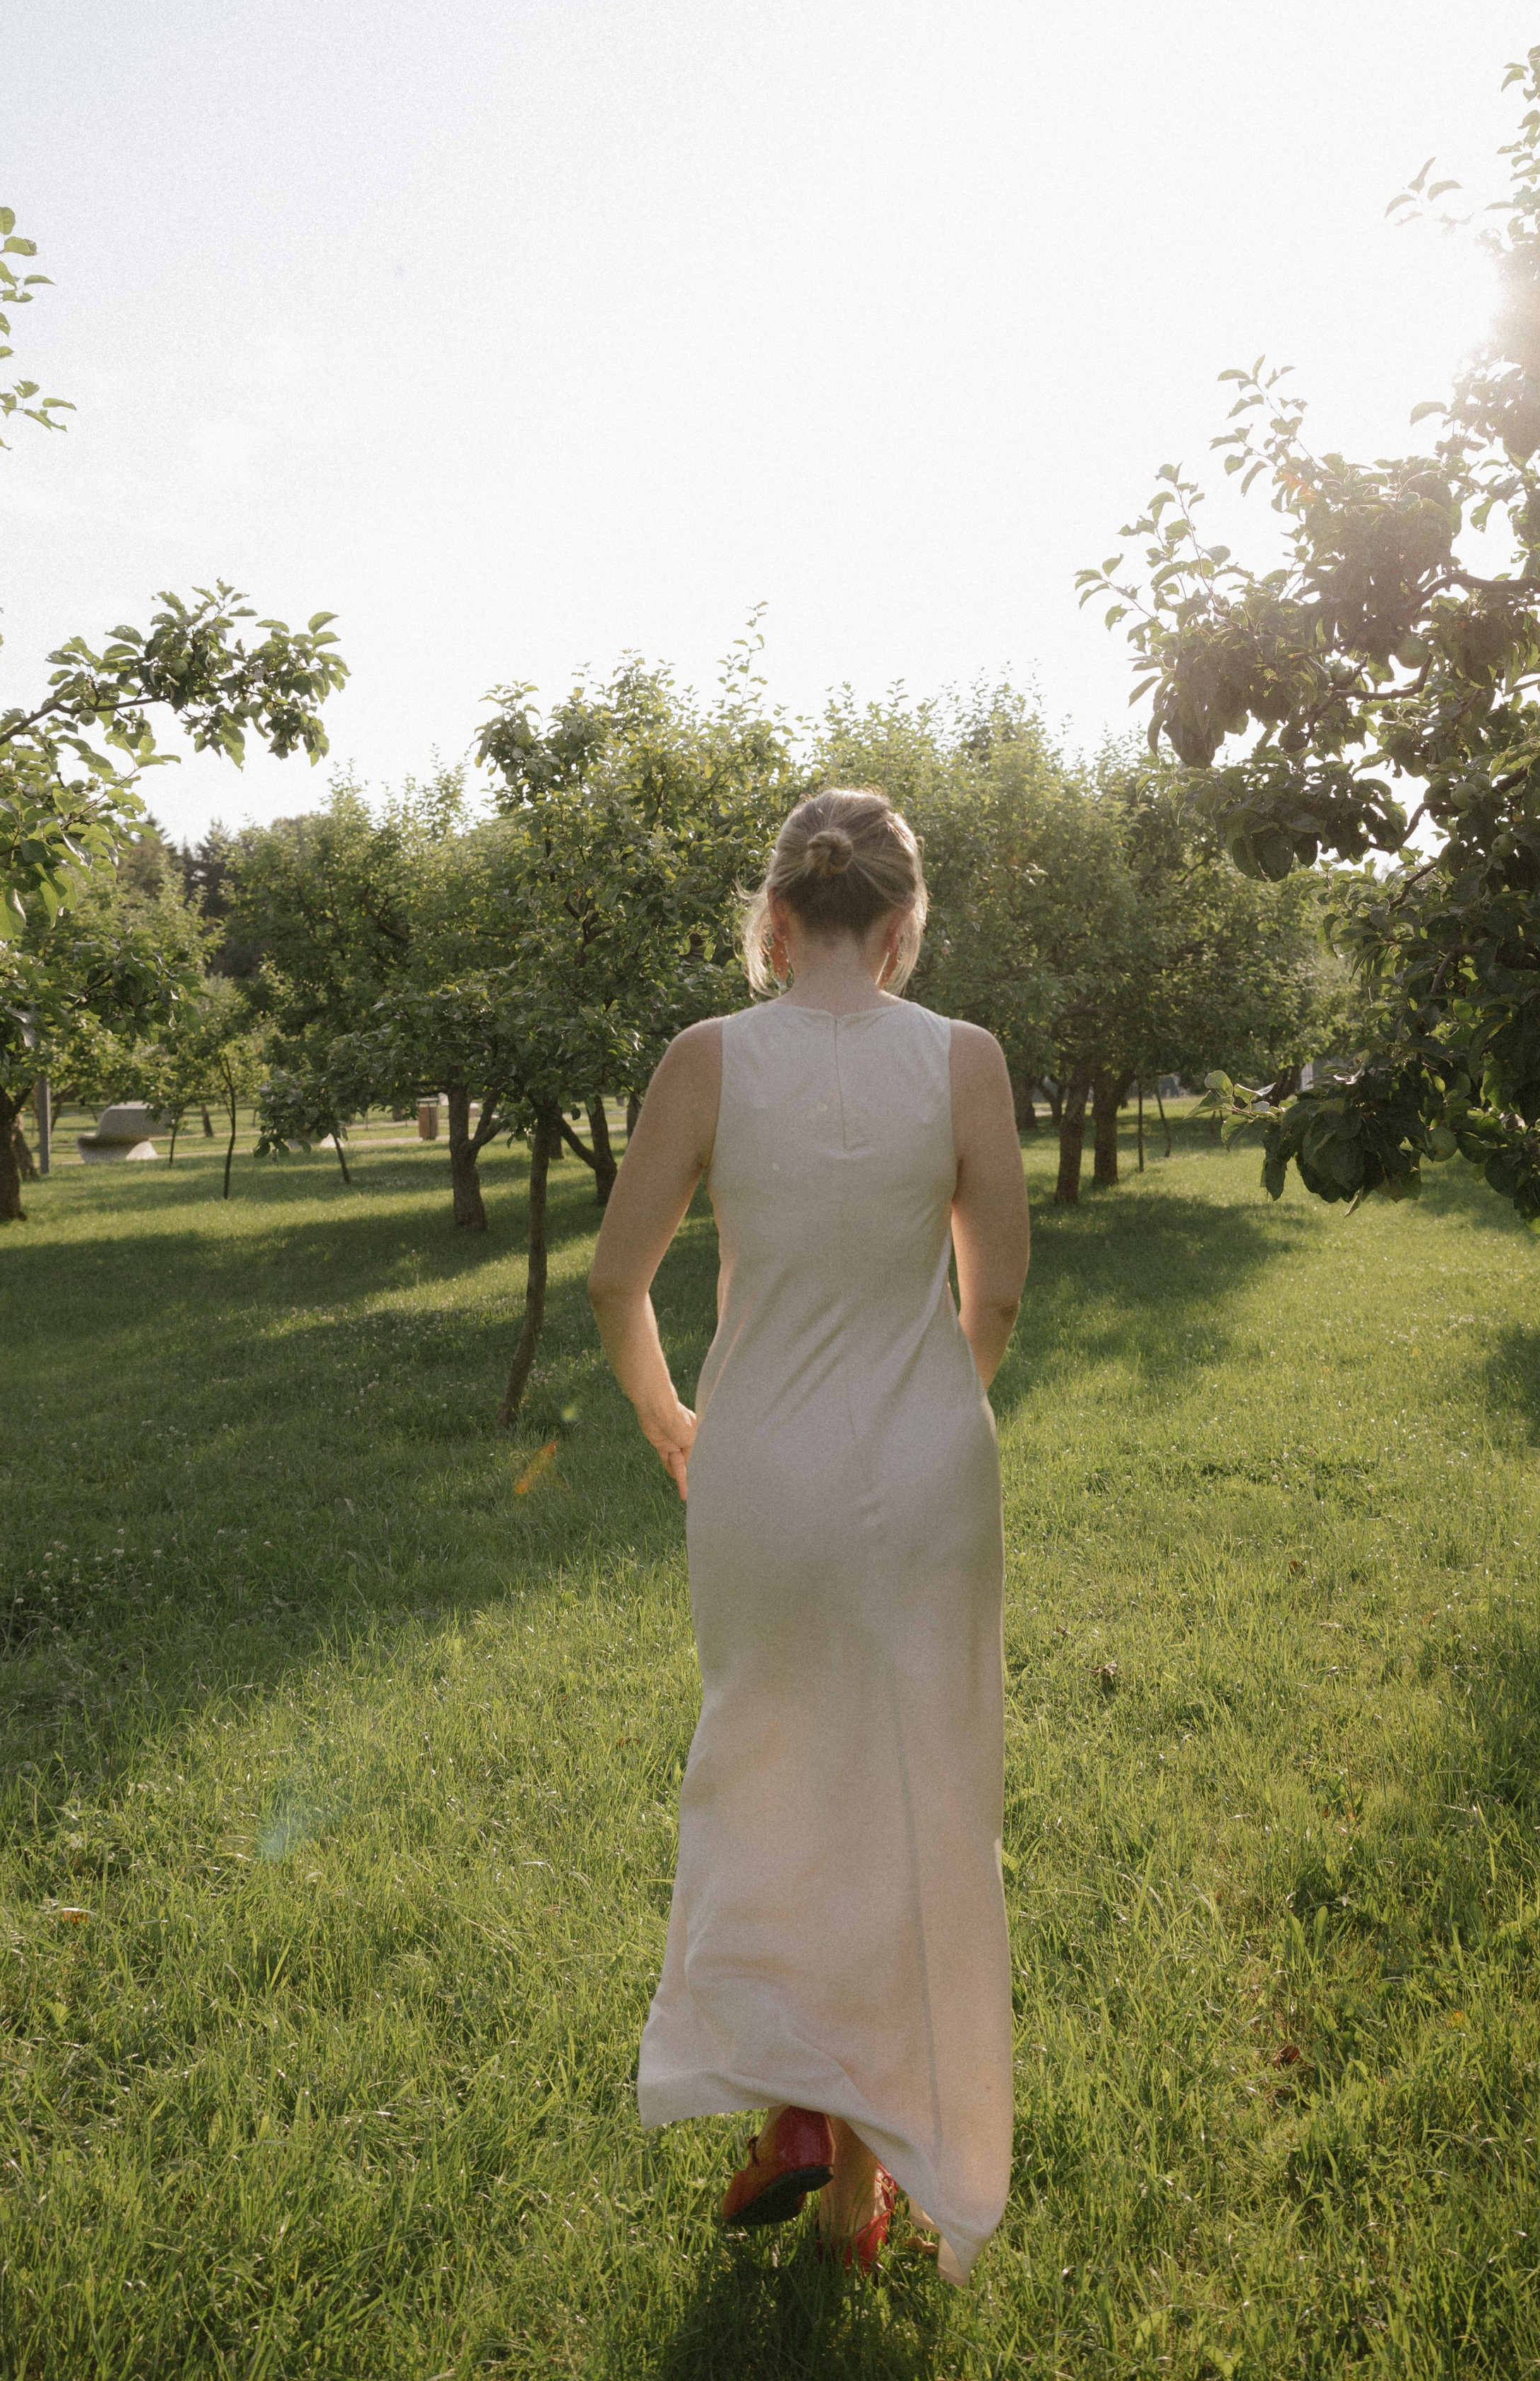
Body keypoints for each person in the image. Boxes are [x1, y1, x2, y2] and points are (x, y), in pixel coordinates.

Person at [587, 787, 1030, 2283]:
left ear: (772, 922)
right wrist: (917, 1414)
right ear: (900, 929)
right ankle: (858, 2187)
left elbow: (614, 1280)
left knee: (770, 1776)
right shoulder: (964, 1061)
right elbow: (1000, 1298)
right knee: (910, 1798)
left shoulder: (705, 1060)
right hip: (920, 1484)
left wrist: (673, 1428)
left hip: (758, 1477)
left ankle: (799, 2109)